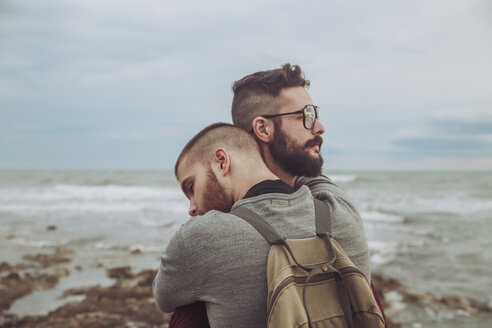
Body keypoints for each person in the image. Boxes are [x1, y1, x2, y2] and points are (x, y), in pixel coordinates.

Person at [153, 123, 372, 327]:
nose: (191, 207)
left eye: (191, 187)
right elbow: (309, 171)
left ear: (222, 161)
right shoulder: (341, 208)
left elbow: (163, 298)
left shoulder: (199, 237)